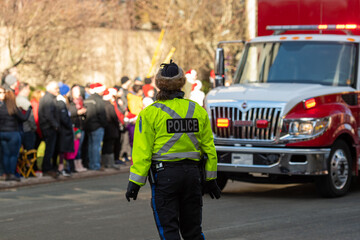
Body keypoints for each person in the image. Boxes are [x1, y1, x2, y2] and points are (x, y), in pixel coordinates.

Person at [125, 60, 221, 240]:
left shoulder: (150, 113)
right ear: (182, 83)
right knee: (193, 232)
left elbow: (142, 152)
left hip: (165, 177)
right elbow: (209, 149)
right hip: (193, 176)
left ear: (159, 84)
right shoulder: (197, 111)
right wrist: (211, 179)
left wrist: (135, 183)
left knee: (169, 232)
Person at [0, 85, 31, 181]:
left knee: (5, 154)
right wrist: (29, 109)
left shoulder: (1, 108)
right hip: (13, 133)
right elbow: (24, 118)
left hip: (2, 133)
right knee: (13, 155)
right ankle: (11, 173)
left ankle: (6, 173)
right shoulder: (13, 108)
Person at [38, 81, 60, 178]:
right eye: (56, 88)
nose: (58, 90)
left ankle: (49, 167)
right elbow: (48, 115)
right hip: (48, 128)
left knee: (50, 149)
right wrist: (55, 125)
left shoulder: (50, 99)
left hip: (49, 127)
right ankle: (46, 168)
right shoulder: (48, 99)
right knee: (49, 149)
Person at [83, 83, 107, 170]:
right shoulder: (98, 100)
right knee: (96, 147)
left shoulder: (88, 99)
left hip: (89, 126)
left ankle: (91, 164)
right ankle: (96, 165)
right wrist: (104, 124)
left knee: (91, 146)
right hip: (97, 126)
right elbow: (101, 114)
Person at [56, 83, 74, 177]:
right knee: (62, 150)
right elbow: (64, 118)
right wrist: (69, 125)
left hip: (64, 130)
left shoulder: (62, 102)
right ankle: (60, 168)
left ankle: (63, 167)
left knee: (63, 150)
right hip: (64, 131)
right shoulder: (61, 103)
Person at [68, 85, 87, 172]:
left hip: (81, 125)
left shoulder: (82, 101)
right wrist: (78, 112)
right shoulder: (70, 101)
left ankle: (79, 164)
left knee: (80, 146)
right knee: (76, 147)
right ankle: (75, 165)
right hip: (75, 127)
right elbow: (70, 113)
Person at [16, 82, 37, 150]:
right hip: (27, 130)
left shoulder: (15, 99)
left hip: (18, 129)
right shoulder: (25, 102)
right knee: (29, 152)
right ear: (24, 89)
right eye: (28, 89)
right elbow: (31, 118)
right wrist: (34, 128)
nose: (29, 91)